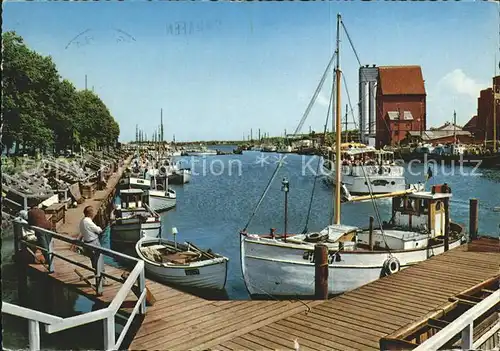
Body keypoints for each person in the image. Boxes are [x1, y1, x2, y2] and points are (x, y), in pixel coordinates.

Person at [76, 206, 110, 286]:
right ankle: (102, 282)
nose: (95, 213)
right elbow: (98, 230)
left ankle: (99, 281)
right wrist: (99, 228)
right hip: (93, 243)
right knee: (99, 262)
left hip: (87, 243)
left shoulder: (82, 221)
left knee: (94, 263)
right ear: (90, 213)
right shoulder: (88, 221)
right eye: (93, 212)